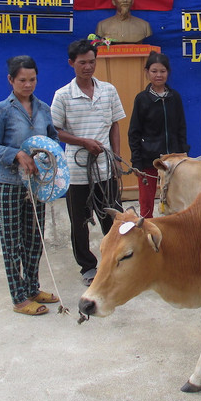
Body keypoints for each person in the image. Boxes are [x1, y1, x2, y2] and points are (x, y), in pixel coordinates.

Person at [0, 55, 60, 316]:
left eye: (33, 79)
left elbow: (52, 140)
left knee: (34, 239)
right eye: (22, 80)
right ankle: (19, 298)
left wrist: (48, 157)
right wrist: (17, 154)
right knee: (12, 241)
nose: (28, 85)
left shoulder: (43, 109)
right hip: (9, 183)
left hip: (36, 185)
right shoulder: (1, 110)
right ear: (11, 80)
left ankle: (32, 287)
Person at [51, 39, 126, 286]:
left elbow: (115, 124)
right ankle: (87, 267)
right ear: (71, 63)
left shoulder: (109, 90)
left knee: (114, 219)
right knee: (80, 223)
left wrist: (116, 156)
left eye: (92, 62)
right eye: (82, 62)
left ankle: (118, 260)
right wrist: (82, 142)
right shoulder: (62, 95)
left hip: (105, 168)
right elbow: (55, 131)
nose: (88, 67)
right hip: (76, 171)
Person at [128, 52, 189, 217]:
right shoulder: (142, 99)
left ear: (168, 72)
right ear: (147, 72)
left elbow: (181, 127)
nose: (158, 75)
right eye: (154, 71)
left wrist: (184, 153)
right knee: (146, 204)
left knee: (174, 202)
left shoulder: (174, 97)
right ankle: (147, 234)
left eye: (162, 71)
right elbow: (134, 132)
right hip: (149, 160)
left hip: (173, 161)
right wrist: (137, 162)